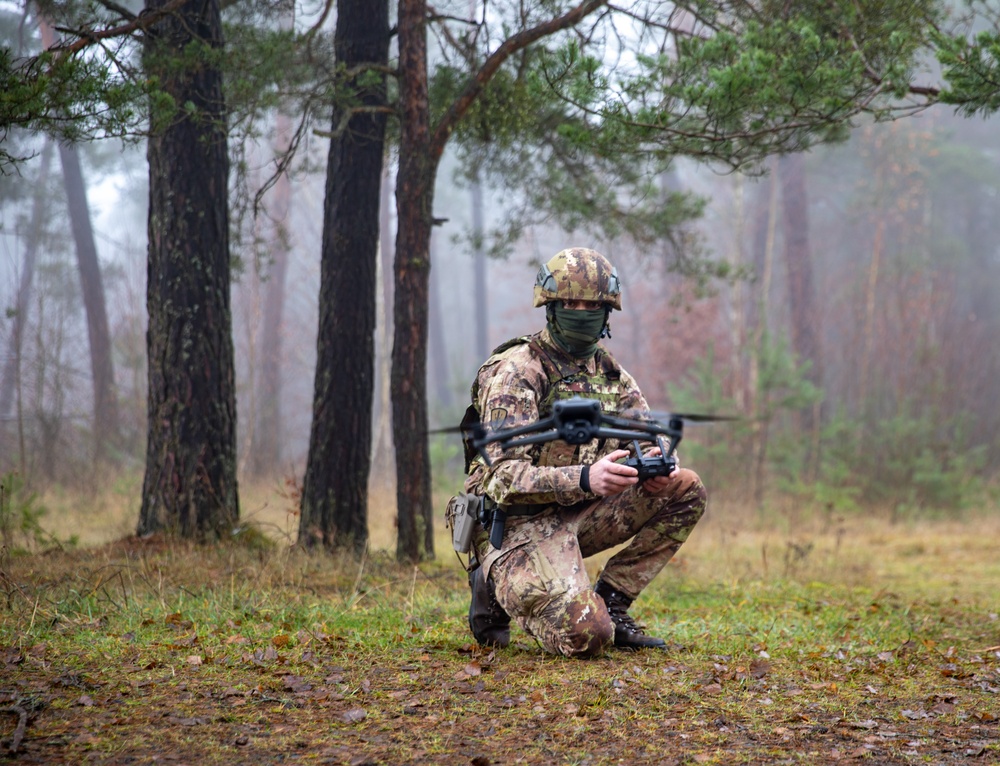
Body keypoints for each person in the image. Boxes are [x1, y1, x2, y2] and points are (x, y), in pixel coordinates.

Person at [461, 247, 707, 658]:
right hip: (515, 526)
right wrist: (585, 478)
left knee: (685, 488)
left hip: (580, 514)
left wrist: (655, 465)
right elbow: (501, 477)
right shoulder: (518, 371)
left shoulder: (612, 375)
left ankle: (613, 601)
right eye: (570, 304)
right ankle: (492, 579)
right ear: (550, 307)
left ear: (607, 312)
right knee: (588, 635)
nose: (581, 313)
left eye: (592, 305)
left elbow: (646, 437)